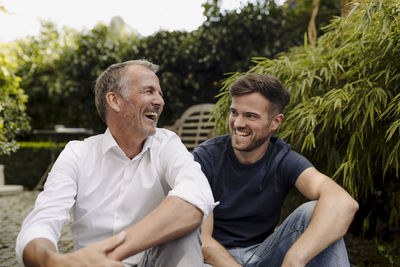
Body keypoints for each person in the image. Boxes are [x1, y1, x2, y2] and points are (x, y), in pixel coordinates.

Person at [16, 59, 216, 267]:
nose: (160, 101)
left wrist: (110, 254)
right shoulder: (77, 154)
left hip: (154, 262)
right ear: (114, 100)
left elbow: (196, 195)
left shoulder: (167, 144)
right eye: (149, 91)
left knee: (182, 233)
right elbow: (41, 223)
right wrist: (55, 262)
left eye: (160, 94)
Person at [193, 73, 359, 267]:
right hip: (214, 260)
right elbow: (203, 241)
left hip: (263, 255)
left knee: (319, 211)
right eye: (234, 112)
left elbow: (343, 202)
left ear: (275, 122)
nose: (238, 123)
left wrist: (295, 258)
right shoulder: (206, 157)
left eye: (250, 116)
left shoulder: (282, 158)